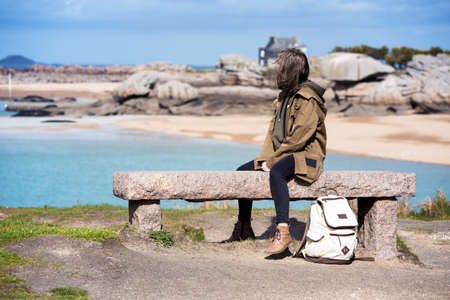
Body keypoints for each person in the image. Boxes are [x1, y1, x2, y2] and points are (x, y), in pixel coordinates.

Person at [224, 48, 327, 255]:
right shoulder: (284, 97)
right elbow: (272, 133)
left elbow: (300, 137)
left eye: (281, 68)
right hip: (283, 153)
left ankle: (283, 230)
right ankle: (244, 227)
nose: (278, 72)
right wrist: (265, 158)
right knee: (242, 172)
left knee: (278, 172)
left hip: (305, 156)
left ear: (291, 70)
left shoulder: (307, 98)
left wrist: (272, 162)